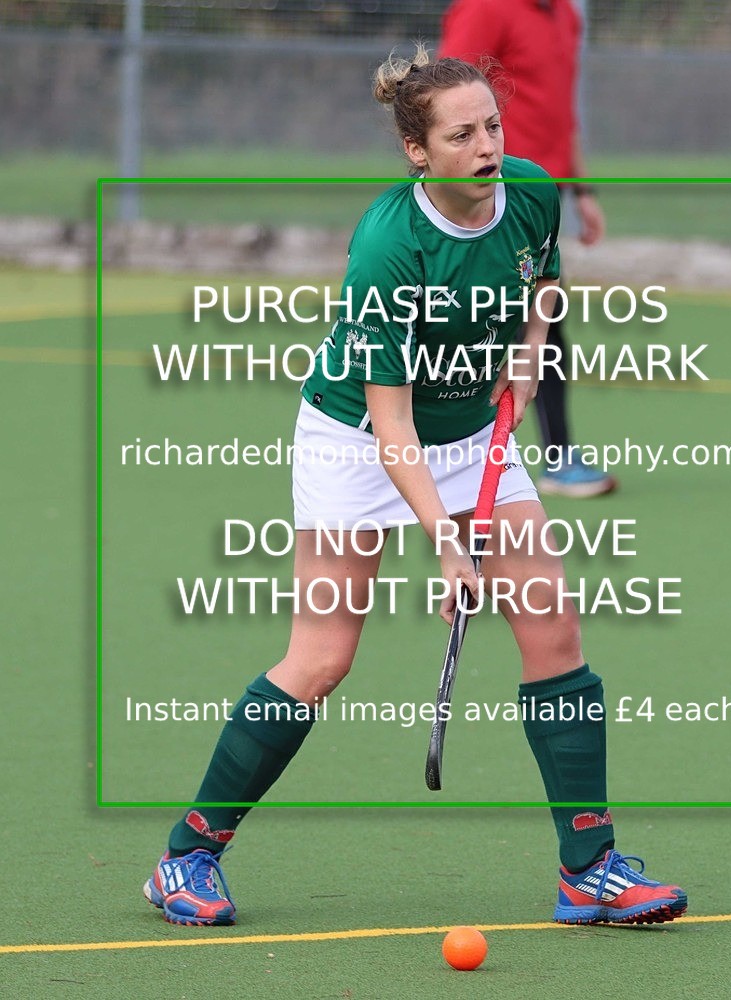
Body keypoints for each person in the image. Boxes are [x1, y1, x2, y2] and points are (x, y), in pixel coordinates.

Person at [143, 46, 686, 929]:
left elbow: (542, 285)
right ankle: (189, 854)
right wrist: (448, 541)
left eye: (494, 128)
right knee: (321, 661)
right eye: (462, 134)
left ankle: (589, 868)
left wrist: (529, 351)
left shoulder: (533, 193)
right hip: (355, 444)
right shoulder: (389, 244)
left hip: (475, 431)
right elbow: (390, 426)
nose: (487, 148)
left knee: (552, 625)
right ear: (418, 152)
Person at [438, 0, 618, 497]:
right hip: (493, 189)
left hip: (543, 194)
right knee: (493, 317)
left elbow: (562, 113)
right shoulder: (486, 9)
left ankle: (553, 456)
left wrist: (581, 190)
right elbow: (444, 98)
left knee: (538, 319)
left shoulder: (566, 14)